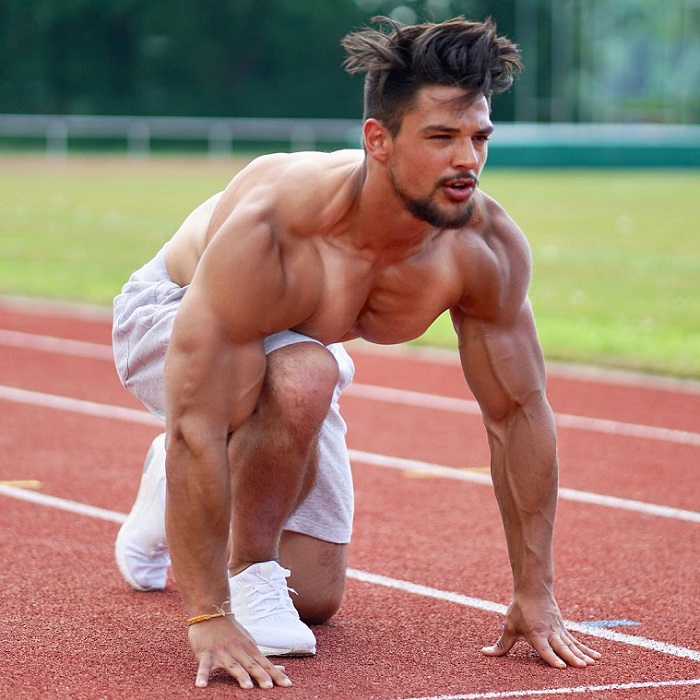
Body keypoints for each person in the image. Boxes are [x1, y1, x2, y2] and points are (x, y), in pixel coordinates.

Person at [112, 16, 601, 690]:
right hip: (174, 307)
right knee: (306, 374)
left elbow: (517, 413)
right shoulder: (276, 227)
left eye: (478, 137)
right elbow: (197, 420)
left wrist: (535, 594)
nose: (467, 160)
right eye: (440, 138)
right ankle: (245, 568)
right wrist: (209, 613)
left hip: (291, 342)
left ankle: (167, 487)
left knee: (314, 598)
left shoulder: (482, 246)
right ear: (379, 140)